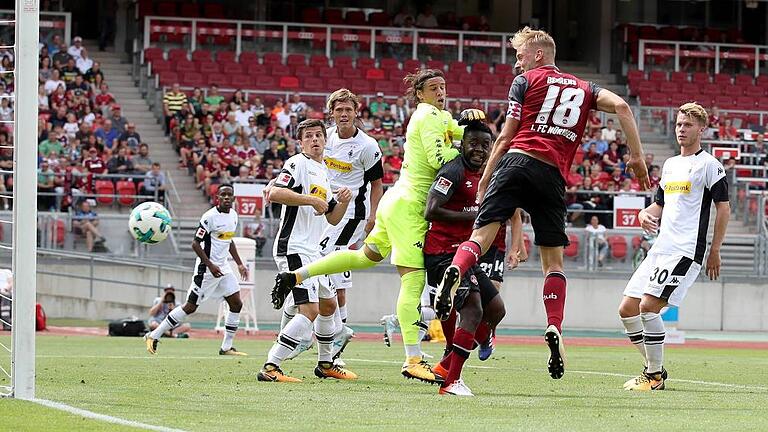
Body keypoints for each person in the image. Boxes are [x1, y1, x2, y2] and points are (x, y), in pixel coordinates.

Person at [436, 27, 650, 381]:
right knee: (553, 263)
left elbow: (505, 135)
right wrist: (637, 156)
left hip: (517, 161)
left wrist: (487, 176)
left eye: (520, 56)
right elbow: (623, 106)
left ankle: (457, 271)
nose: (516, 63)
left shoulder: (525, 82)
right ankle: (554, 327)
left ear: (538, 55)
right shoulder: (585, 88)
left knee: (482, 237)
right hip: (552, 176)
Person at [272, 69, 482, 384]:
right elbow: (441, 157)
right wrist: (469, 153)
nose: (441, 92)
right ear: (420, 94)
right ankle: (414, 358)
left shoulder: (438, 116)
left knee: (364, 257)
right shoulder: (426, 117)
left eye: (444, 86)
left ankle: (298, 275)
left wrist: (469, 122)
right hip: (410, 207)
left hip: (391, 201)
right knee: (414, 281)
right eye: (434, 88)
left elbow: (458, 130)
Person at [619, 103, 730, 391]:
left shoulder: (710, 166)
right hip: (660, 249)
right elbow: (660, 204)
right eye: (679, 124)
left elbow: (724, 208)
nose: (681, 129)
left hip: (685, 250)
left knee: (648, 306)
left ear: (701, 129)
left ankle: (653, 377)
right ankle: (655, 368)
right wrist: (646, 213)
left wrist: (714, 249)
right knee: (627, 309)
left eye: (688, 125)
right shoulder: (670, 165)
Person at [257, 119, 355, 382]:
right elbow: (274, 193)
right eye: (308, 136)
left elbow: (333, 218)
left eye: (318, 136)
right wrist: (308, 199)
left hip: (314, 252)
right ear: (300, 143)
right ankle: (271, 366)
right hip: (293, 248)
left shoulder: (323, 171)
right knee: (309, 310)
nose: (314, 140)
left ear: (325, 140)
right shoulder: (297, 163)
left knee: (328, 305)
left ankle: (325, 364)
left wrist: (344, 202)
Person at [422, 119, 506, 396]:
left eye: (485, 145)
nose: (480, 150)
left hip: (464, 253)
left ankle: (448, 364)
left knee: (496, 310)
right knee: (472, 310)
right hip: (443, 253)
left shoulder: (485, 175)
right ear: (462, 145)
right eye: (474, 144)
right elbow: (431, 210)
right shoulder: (454, 170)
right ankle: (450, 382)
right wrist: (475, 218)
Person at [145, 184, 250, 356]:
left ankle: (226, 347)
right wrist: (210, 265)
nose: (225, 198)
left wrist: (238, 263)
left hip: (222, 267)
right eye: (222, 195)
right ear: (217, 198)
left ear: (233, 198)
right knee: (190, 307)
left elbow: (228, 240)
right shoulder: (209, 217)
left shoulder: (234, 216)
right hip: (206, 270)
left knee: (236, 303)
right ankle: (153, 335)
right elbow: (195, 243)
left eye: (228, 195)